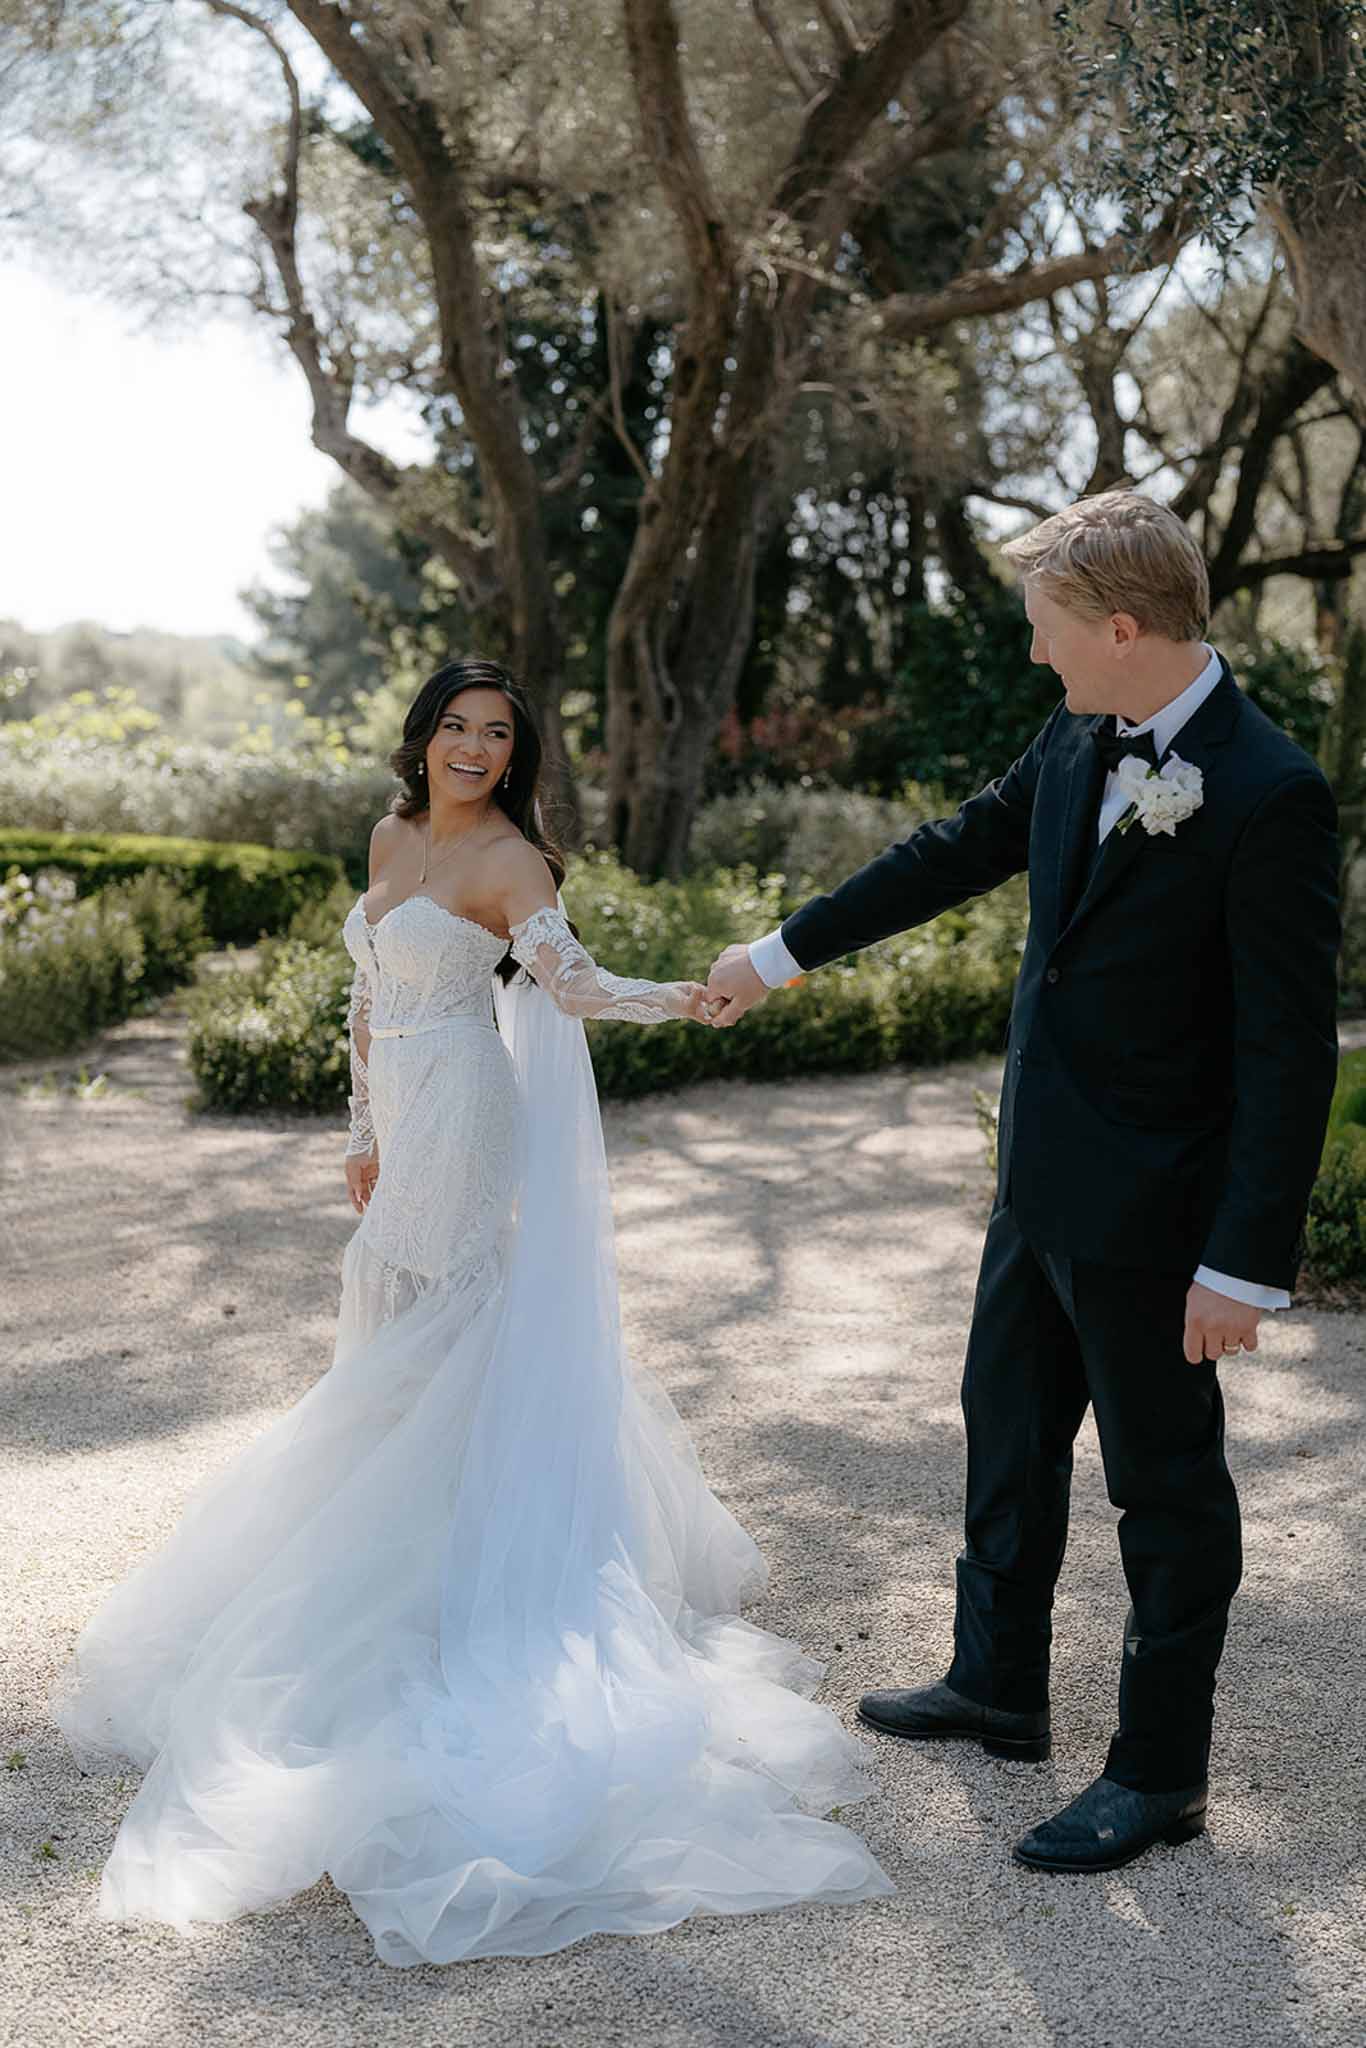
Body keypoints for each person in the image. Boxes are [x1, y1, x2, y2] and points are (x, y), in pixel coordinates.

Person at [52, 656, 892, 1964]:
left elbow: (572, 988)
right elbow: (368, 997)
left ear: (515, 757)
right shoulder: (390, 833)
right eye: (457, 726)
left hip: (469, 1119)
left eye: (497, 735)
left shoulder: (515, 867)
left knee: (446, 1328)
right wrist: (352, 1129)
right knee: (392, 1330)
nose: (474, 748)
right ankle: (425, 1537)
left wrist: (695, 994)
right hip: (401, 1112)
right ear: (424, 734)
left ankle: (452, 1570)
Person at [703, 491, 1340, 1875]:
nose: (1033, 658)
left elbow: (1287, 1054)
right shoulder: (1074, 732)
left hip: (1160, 1219)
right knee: (1004, 1436)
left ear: (1119, 629)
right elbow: (950, 850)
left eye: (1046, 631)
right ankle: (996, 1687)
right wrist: (779, 952)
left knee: (1165, 1494)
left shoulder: (1269, 792)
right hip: (1036, 1183)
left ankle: (1157, 1774)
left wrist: (1240, 1261)